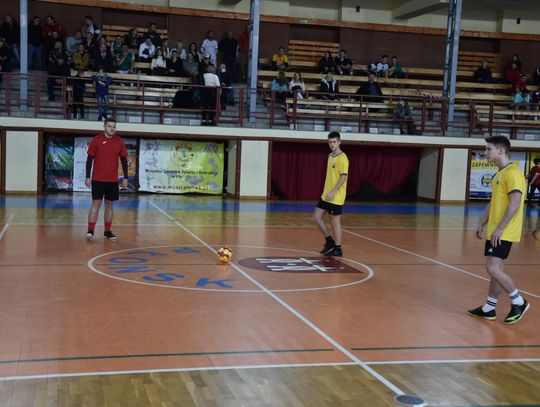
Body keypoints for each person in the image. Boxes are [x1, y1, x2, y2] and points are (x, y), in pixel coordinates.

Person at [468, 136, 529, 325]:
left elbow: (515, 203)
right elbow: (493, 203)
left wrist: (500, 228)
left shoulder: (513, 173)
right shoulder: (499, 174)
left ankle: (519, 302)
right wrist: (482, 223)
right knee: (497, 270)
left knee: (492, 268)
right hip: (496, 229)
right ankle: (489, 308)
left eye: (488, 149)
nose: (485, 152)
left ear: (501, 151)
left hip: (504, 231)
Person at [85, 117, 129, 241]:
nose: (112, 129)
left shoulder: (119, 142)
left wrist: (126, 177)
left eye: (114, 127)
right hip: (98, 179)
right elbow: (89, 160)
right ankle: (90, 231)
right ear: (104, 126)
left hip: (112, 180)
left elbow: (124, 161)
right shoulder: (97, 140)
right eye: (109, 126)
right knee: (96, 204)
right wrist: (88, 177)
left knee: (109, 205)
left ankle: (107, 231)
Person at [313, 131, 349, 257]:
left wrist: (333, 192)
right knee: (317, 216)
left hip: (336, 196)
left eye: (334, 142)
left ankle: (338, 248)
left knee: (335, 222)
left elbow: (343, 177)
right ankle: (329, 241)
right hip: (326, 195)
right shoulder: (330, 156)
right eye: (330, 142)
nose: (332, 144)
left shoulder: (343, 158)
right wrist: (327, 192)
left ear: (339, 142)